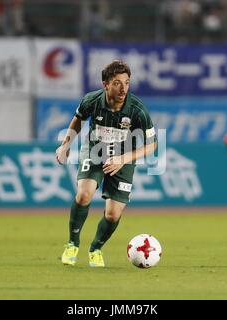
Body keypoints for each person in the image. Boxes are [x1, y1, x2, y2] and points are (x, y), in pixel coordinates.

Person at [55, 60, 157, 267]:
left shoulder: (137, 110)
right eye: (117, 83)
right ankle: (72, 244)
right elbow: (78, 119)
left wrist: (123, 159)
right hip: (94, 151)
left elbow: (152, 145)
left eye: (127, 83)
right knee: (84, 194)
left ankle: (95, 249)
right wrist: (65, 145)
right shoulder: (91, 100)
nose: (123, 88)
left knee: (113, 214)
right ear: (105, 84)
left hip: (124, 158)